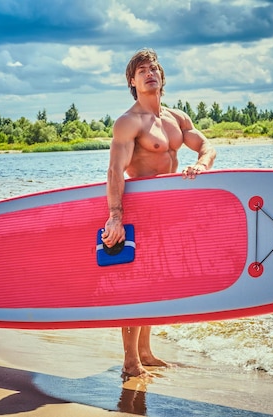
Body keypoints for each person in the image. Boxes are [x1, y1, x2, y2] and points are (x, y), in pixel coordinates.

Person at [102, 48, 216, 378]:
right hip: (141, 211)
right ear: (132, 81)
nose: (150, 73)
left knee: (157, 283)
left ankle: (146, 352)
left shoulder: (177, 119)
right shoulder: (128, 122)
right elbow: (114, 171)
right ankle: (130, 361)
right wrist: (115, 216)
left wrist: (201, 164)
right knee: (137, 285)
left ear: (162, 77)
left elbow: (207, 146)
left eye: (154, 68)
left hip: (170, 213)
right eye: (142, 70)